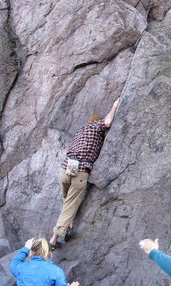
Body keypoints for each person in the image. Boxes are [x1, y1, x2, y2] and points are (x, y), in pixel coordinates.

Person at [49, 98, 119, 249]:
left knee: (67, 201)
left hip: (65, 168)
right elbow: (107, 123)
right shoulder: (95, 127)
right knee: (70, 205)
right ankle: (53, 240)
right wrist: (113, 107)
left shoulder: (81, 131)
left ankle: (67, 226)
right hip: (80, 171)